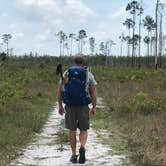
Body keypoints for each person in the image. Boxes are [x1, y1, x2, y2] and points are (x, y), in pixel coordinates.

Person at [57, 55, 97, 164]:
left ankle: (74, 155)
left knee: (72, 130)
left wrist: (60, 105)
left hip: (70, 106)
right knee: (84, 130)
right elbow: (93, 93)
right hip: (83, 106)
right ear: (84, 62)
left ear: (74, 62)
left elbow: (60, 91)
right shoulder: (88, 74)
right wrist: (93, 107)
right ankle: (82, 147)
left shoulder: (66, 73)